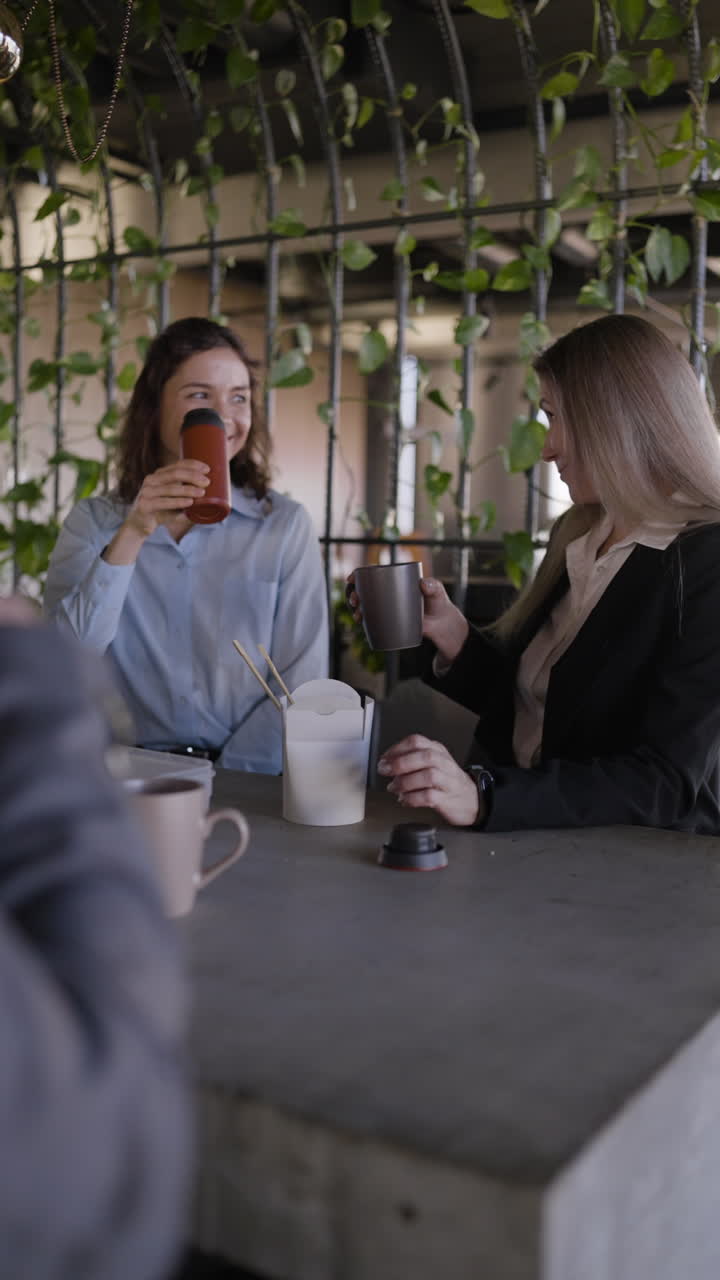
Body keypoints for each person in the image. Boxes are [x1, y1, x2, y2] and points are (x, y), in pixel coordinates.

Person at [355, 314, 720, 833]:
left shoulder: (706, 560)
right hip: (529, 846)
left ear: (616, 421)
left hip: (625, 867)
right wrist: (455, 637)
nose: (547, 448)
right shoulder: (582, 531)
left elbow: (665, 783)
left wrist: (486, 797)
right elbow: (545, 712)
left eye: (554, 417)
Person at [44, 317, 328, 774]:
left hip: (248, 777)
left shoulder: (283, 526)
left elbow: (301, 679)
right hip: (128, 775)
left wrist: (229, 779)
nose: (223, 416)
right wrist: (133, 533)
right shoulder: (95, 523)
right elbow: (64, 663)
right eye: (199, 396)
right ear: (153, 407)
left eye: (238, 397)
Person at [0, 596, 189, 1278]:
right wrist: (26, 678)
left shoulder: (276, 539)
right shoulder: (94, 537)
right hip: (113, 770)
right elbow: (103, 1143)